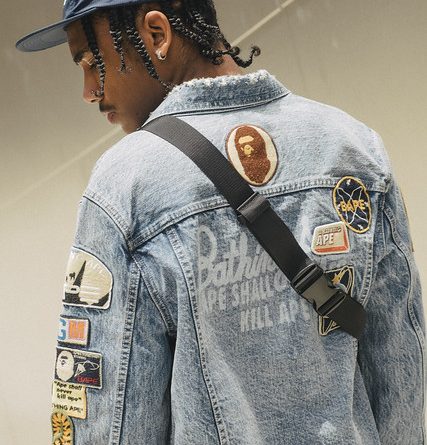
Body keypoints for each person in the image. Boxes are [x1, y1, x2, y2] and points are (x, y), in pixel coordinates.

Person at [17, 1, 425, 444]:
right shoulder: (355, 146)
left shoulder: (124, 186)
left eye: (91, 63)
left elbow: (106, 422)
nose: (88, 91)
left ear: (156, 34)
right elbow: (402, 377)